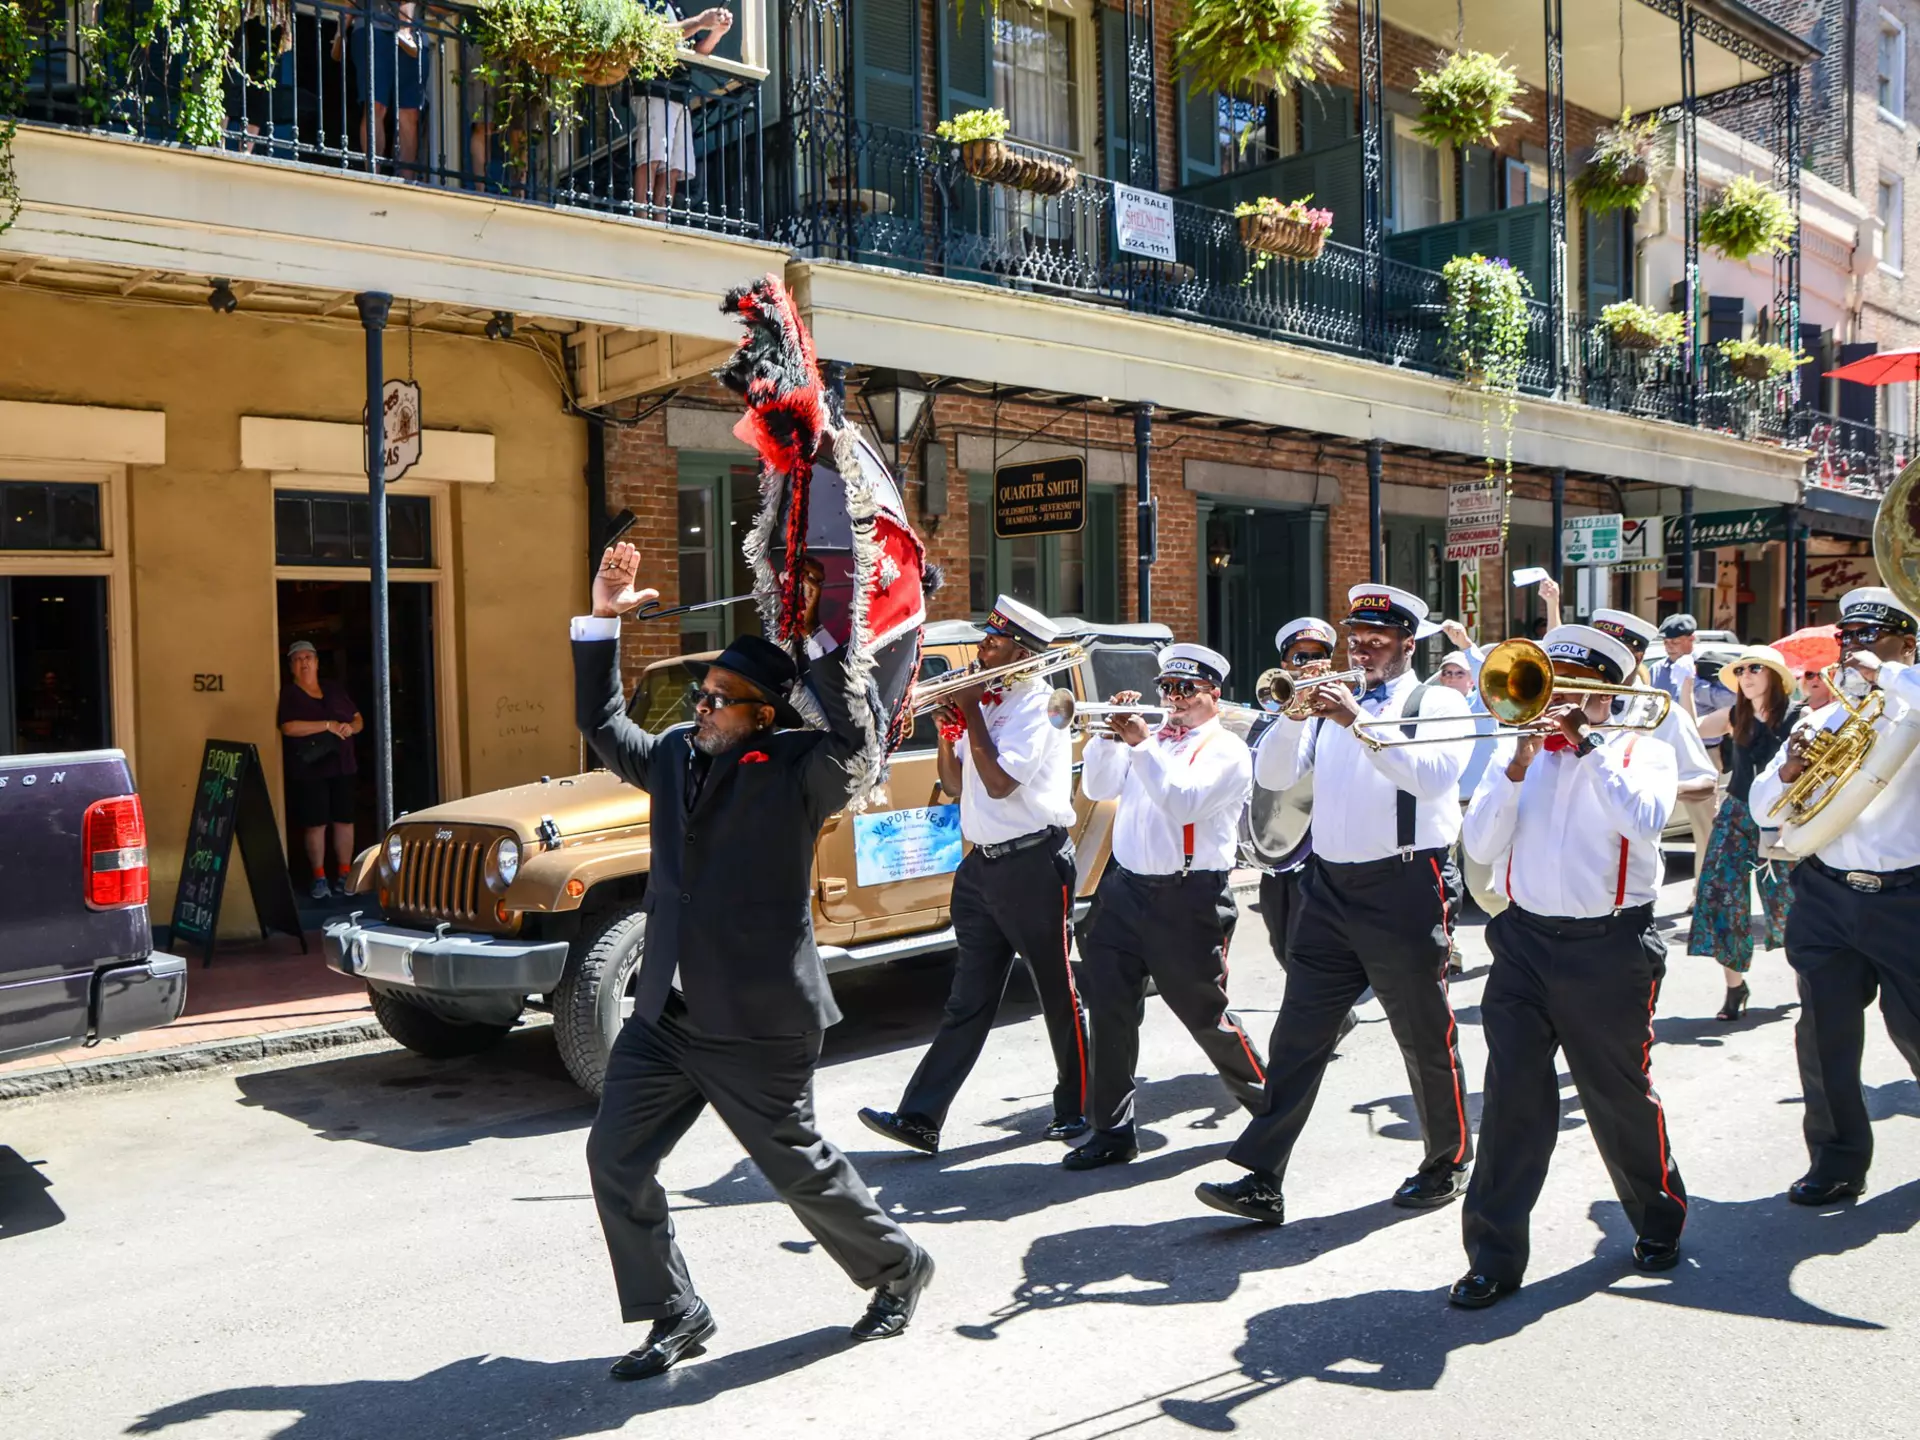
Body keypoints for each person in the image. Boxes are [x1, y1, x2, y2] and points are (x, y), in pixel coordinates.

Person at [575, 539, 931, 1379]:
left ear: (764, 714)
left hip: (760, 1022)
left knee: (797, 1170)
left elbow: (855, 741)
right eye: (700, 694)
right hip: (666, 1017)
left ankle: (897, 1268)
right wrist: (600, 620)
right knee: (614, 1159)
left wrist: (822, 643)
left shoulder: (801, 771)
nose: (701, 707)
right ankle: (676, 1309)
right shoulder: (670, 757)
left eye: (721, 699)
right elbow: (602, 724)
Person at [1194, 584, 1475, 1226]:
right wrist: (1296, 715)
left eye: (1377, 639)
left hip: (1407, 883)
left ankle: (1447, 1159)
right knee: (1297, 1037)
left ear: (1408, 643)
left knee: (1423, 1033)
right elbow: (1272, 777)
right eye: (1356, 637)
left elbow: (1431, 777)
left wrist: (1359, 720)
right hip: (1329, 887)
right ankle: (1261, 1177)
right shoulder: (1326, 709)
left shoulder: (1438, 700)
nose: (1362, 649)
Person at [1449, 624, 1686, 1307]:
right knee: (1513, 1102)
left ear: (1603, 695)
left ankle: (1658, 1216)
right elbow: (1482, 845)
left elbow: (1642, 822)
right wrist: (1518, 768)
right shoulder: (1517, 754)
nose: (1550, 699)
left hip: (1608, 947)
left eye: (1570, 687)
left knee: (1617, 1096)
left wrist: (1584, 748)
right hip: (1523, 944)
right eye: (1545, 680)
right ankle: (1493, 1255)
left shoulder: (1643, 751)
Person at [859, 596, 1089, 1154]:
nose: (982, 650)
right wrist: (948, 729)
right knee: (968, 999)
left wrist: (973, 713)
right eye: (986, 639)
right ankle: (921, 1116)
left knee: (1056, 991)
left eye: (993, 642)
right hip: (982, 869)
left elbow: (1005, 782)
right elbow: (960, 784)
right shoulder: (987, 701)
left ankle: (1080, 1108)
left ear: (1023, 652)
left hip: (1035, 863)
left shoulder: (1040, 706)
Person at [1065, 642, 1266, 1172]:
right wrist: (1110, 736)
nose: (1174, 700)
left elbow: (1182, 802)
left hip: (1188, 896)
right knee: (1109, 1010)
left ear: (1212, 695)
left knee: (1206, 1016)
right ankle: (1110, 1130)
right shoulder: (1150, 742)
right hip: (1126, 890)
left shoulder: (1228, 749)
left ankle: (1271, 1112)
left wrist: (1139, 744)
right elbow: (1098, 787)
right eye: (1167, 689)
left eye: (1186, 690)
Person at [1750, 585, 1920, 1207]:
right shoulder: (1823, 716)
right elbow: (1762, 807)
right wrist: (1791, 770)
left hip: (1907, 900)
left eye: (1871, 639)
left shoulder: (1911, 702)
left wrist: (1893, 674)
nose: (1854, 652)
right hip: (1825, 895)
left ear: (1908, 641)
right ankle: (1837, 1161)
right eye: (1848, 640)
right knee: (1823, 1038)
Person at [1688, 645, 1802, 1020]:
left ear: (1775, 676)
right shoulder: (1736, 715)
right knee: (1720, 895)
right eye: (1740, 671)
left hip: (1781, 816)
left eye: (1755, 668)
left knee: (1790, 902)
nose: (1746, 676)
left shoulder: (1798, 717)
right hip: (1737, 812)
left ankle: (1808, 972)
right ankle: (1735, 988)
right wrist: (1687, 688)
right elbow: (1692, 731)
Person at [1593, 607, 1719, 875]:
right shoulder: (1574, 703)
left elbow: (1705, 782)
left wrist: (1658, 790)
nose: (1598, 660)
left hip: (1625, 865)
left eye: (1610, 650)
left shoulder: (1664, 711)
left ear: (1636, 656)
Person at [276, 639, 363, 901]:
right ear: (291, 666)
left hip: (343, 764)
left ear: (316, 662)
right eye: (298, 659)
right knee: (316, 824)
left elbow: (358, 719)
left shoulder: (333, 689)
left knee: (344, 820)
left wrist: (350, 727)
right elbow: (288, 727)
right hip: (310, 769)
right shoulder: (290, 694)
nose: (304, 662)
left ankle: (345, 874)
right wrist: (327, 725)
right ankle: (319, 877)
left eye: (308, 657)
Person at [636, 5, 733, 213]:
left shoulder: (677, 7)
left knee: (674, 167)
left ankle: (661, 222)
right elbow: (654, 34)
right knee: (652, 158)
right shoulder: (646, 3)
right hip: (654, 88)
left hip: (680, 93)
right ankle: (641, 219)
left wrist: (717, 31)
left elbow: (698, 50)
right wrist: (700, 20)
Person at [335, 0, 430, 172]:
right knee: (375, 105)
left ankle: (406, 179)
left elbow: (444, 8)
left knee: (410, 113)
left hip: (417, 36)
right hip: (373, 26)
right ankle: (374, 172)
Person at [1650, 613, 1735, 767]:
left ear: (1691, 639)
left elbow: (1731, 700)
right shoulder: (1657, 669)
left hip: (1703, 749)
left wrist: (1694, 686)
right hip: (1665, 749)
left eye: (1675, 642)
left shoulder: (1708, 666)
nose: (1669, 647)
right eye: (1666, 642)